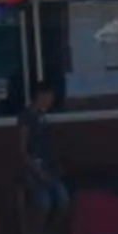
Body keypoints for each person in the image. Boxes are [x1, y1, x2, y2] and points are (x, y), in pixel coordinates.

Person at [16, 81, 70, 219]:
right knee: (43, 202)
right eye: (48, 97)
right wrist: (37, 171)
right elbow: (23, 150)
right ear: (40, 96)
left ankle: (52, 232)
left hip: (49, 166)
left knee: (63, 199)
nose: (50, 101)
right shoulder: (26, 117)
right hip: (33, 167)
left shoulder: (44, 117)